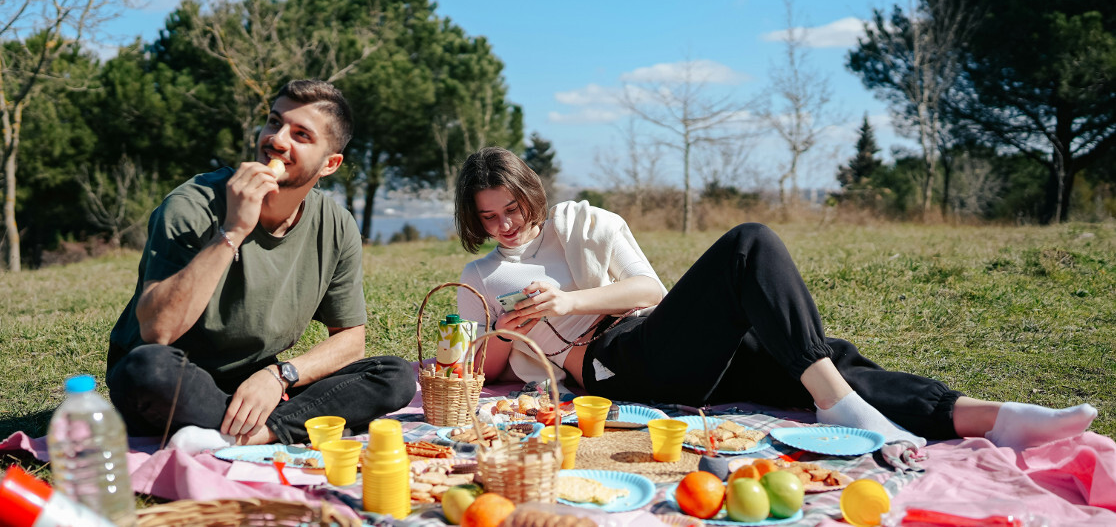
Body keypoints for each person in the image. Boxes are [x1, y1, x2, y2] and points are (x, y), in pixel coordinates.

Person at [453, 146, 1097, 450]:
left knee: (819, 358)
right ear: (474, 220)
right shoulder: (479, 276)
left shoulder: (585, 224)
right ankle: (841, 405)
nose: (507, 225)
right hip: (614, 367)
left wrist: (567, 301)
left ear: (532, 195)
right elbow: (487, 373)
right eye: (490, 217)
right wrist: (509, 329)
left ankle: (994, 417)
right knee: (749, 243)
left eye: (514, 208)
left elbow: (650, 290)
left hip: (653, 335)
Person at [106, 80, 415, 446]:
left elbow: (350, 340)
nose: (277, 139)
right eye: (273, 122)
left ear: (330, 164)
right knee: (146, 370)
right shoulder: (192, 205)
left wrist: (279, 375)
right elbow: (158, 331)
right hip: (177, 378)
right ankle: (287, 428)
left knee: (394, 375)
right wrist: (233, 229)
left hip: (257, 386)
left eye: (301, 134)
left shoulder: (336, 225)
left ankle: (252, 434)